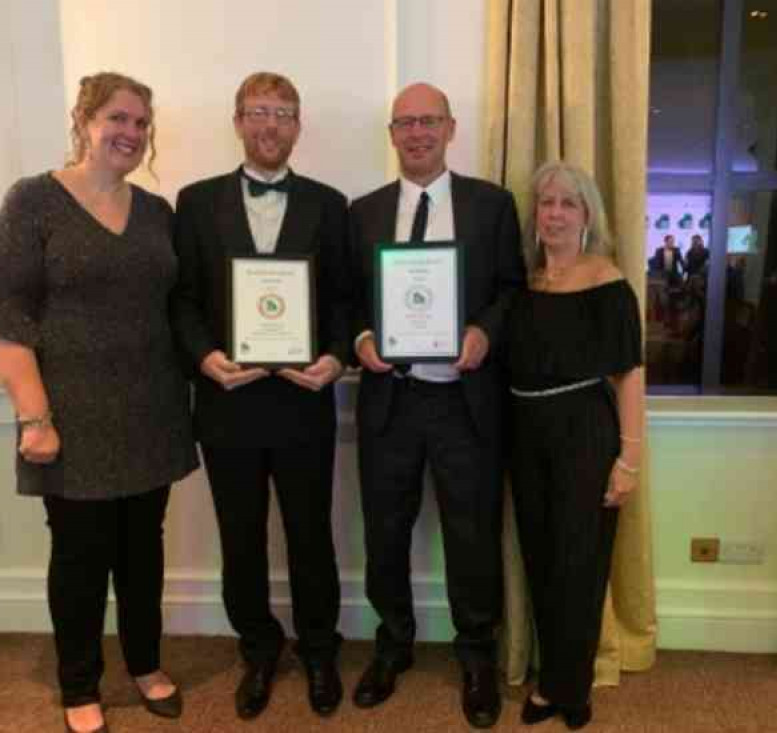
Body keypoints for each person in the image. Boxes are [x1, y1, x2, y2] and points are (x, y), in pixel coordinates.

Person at [0, 72, 198, 733]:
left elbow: (179, 306)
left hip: (152, 412)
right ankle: (79, 684)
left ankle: (147, 664)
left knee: (142, 553)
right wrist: (34, 416)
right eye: (117, 119)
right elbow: (6, 316)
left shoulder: (158, 213)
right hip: (69, 420)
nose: (130, 133)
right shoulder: (33, 201)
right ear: (85, 120)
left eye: (140, 123)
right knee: (79, 557)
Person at [171, 72, 350, 720]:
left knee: (310, 536)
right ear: (239, 121)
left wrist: (336, 356)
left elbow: (342, 298)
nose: (269, 124)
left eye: (282, 113)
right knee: (239, 538)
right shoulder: (193, 202)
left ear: (297, 124)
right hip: (228, 403)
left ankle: (321, 648)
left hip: (304, 402)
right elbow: (183, 299)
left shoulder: (331, 204)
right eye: (257, 112)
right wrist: (203, 358)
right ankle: (259, 648)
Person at [349, 82, 525, 729]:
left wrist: (484, 330)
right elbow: (344, 299)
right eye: (405, 123)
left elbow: (512, 288)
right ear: (392, 134)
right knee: (385, 530)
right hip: (390, 399)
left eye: (429, 121)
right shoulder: (362, 212)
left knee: (472, 533)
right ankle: (392, 645)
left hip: (464, 403)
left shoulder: (491, 206)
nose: (417, 133)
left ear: (450, 129)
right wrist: (362, 337)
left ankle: (476, 655)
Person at [506, 161, 644, 730]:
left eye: (568, 203)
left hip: (583, 434)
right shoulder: (526, 283)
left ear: (588, 215)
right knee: (540, 560)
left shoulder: (608, 282)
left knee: (579, 565)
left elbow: (629, 376)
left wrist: (629, 459)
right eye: (546, 204)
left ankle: (570, 688)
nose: (555, 213)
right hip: (525, 435)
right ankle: (551, 677)